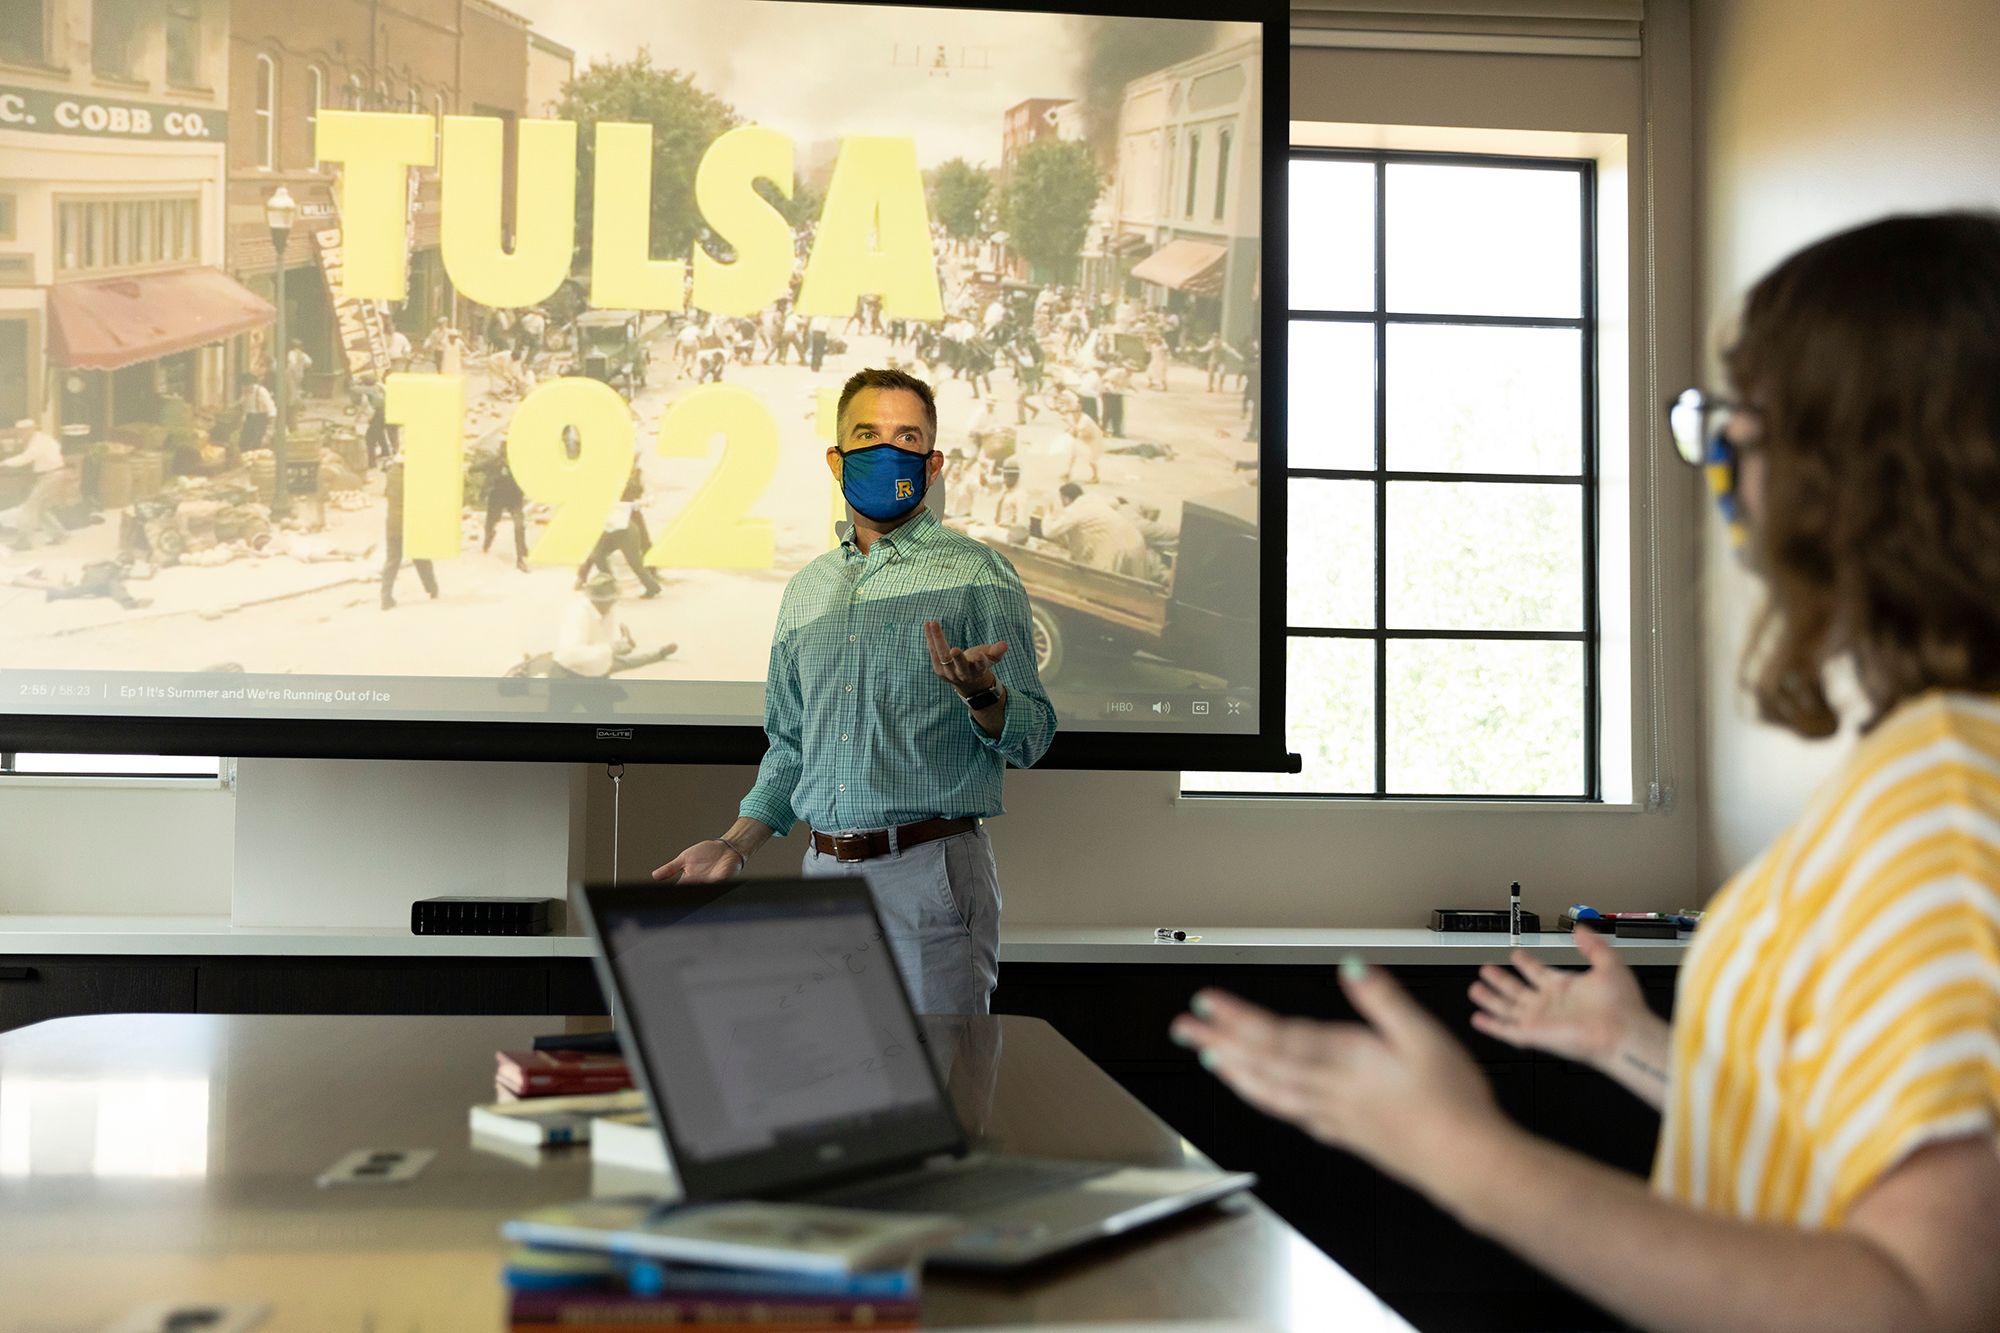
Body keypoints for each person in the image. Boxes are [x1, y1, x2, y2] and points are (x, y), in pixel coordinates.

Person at [1170, 213, 2000, 1331]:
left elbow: (1915, 1301)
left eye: (1739, 422)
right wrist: (1633, 1045)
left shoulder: (1946, 798)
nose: (1720, 461)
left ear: (1855, 471)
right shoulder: (1945, 765)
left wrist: (1461, 1156)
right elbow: (1837, 1149)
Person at [651, 367, 1058, 1015]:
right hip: (823, 877)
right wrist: (733, 844)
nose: (887, 451)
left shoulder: (978, 574)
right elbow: (790, 747)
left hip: (929, 876)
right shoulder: (807, 590)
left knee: (939, 1089)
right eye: (868, 435)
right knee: (841, 1089)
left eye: (908, 436)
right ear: (837, 461)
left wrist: (983, 695)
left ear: (933, 464)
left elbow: (1033, 735)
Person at [552, 572, 676, 678]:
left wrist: (622, 646)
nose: (614, 603)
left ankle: (659, 654)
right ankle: (659, 654)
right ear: (598, 600)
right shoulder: (579, 615)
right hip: (569, 676)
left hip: (598, 672)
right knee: (626, 662)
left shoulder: (607, 610)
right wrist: (613, 648)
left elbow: (603, 644)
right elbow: (571, 655)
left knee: (628, 662)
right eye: (611, 600)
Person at [574, 469, 662, 598]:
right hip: (614, 528)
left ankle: (651, 586)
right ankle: (609, 585)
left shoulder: (633, 476)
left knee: (634, 562)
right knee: (598, 556)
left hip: (624, 530)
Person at [1039, 482, 1147, 577]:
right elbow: (1118, 500)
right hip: (1136, 540)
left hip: (1117, 551)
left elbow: (1048, 532)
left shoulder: (1075, 510)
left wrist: (1047, 511)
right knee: (1136, 587)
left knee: (1107, 586)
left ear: (1066, 499)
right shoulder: (1094, 498)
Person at [379, 455, 437, 610]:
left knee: (392, 560)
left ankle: (385, 597)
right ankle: (432, 588)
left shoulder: (391, 474)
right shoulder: (415, 477)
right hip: (411, 522)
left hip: (393, 523)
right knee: (421, 556)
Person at [0, 417, 68, 549]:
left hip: (51, 475)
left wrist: (4, 463)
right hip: (52, 474)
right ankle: (59, 534)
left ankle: (24, 541)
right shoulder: (42, 438)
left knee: (29, 508)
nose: (19, 435)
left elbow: (26, 457)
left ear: (30, 430)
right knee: (40, 509)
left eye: (21, 432)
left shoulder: (38, 442)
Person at [482, 450, 530, 571]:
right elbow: (479, 466)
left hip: (514, 499)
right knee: (490, 524)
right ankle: (488, 537)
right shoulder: (494, 462)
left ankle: (520, 558)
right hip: (497, 498)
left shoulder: (520, 463)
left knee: (519, 525)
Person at [236, 374, 274, 459]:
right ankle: (247, 460)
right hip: (249, 418)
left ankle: (256, 462)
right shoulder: (245, 392)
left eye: (247, 386)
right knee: (243, 442)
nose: (245, 388)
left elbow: (271, 409)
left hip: (260, 418)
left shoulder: (261, 391)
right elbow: (243, 403)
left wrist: (270, 427)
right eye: (243, 386)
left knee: (257, 443)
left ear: (251, 384)